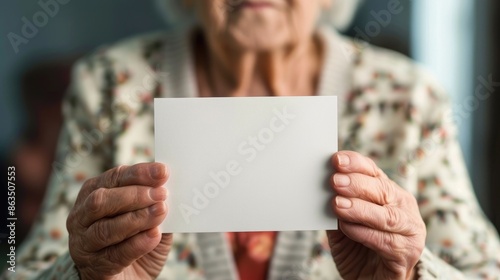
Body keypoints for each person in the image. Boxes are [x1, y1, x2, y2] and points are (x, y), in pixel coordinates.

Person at [7, 0, 500, 279]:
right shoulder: (111, 84)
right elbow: (24, 272)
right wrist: (88, 274)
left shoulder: (409, 97)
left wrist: (412, 273)